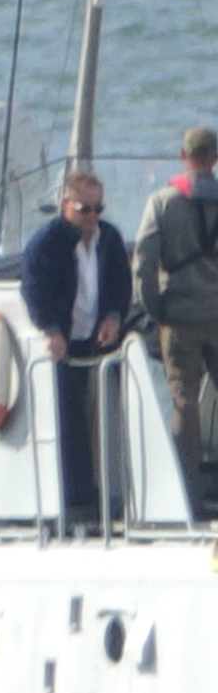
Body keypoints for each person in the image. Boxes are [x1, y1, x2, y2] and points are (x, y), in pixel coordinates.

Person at [21, 169, 132, 523]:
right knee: (67, 416)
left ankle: (103, 486)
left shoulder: (109, 238)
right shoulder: (47, 242)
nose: (93, 217)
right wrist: (50, 329)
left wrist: (113, 316)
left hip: (95, 339)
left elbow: (119, 284)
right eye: (85, 209)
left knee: (98, 412)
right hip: (64, 340)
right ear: (66, 205)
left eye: (99, 209)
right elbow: (34, 289)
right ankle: (74, 491)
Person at [132, 126, 218, 506]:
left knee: (183, 401)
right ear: (214, 158)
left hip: (179, 316)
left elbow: (144, 265)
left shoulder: (162, 202)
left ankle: (189, 496)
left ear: (183, 156)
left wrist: (155, 309)